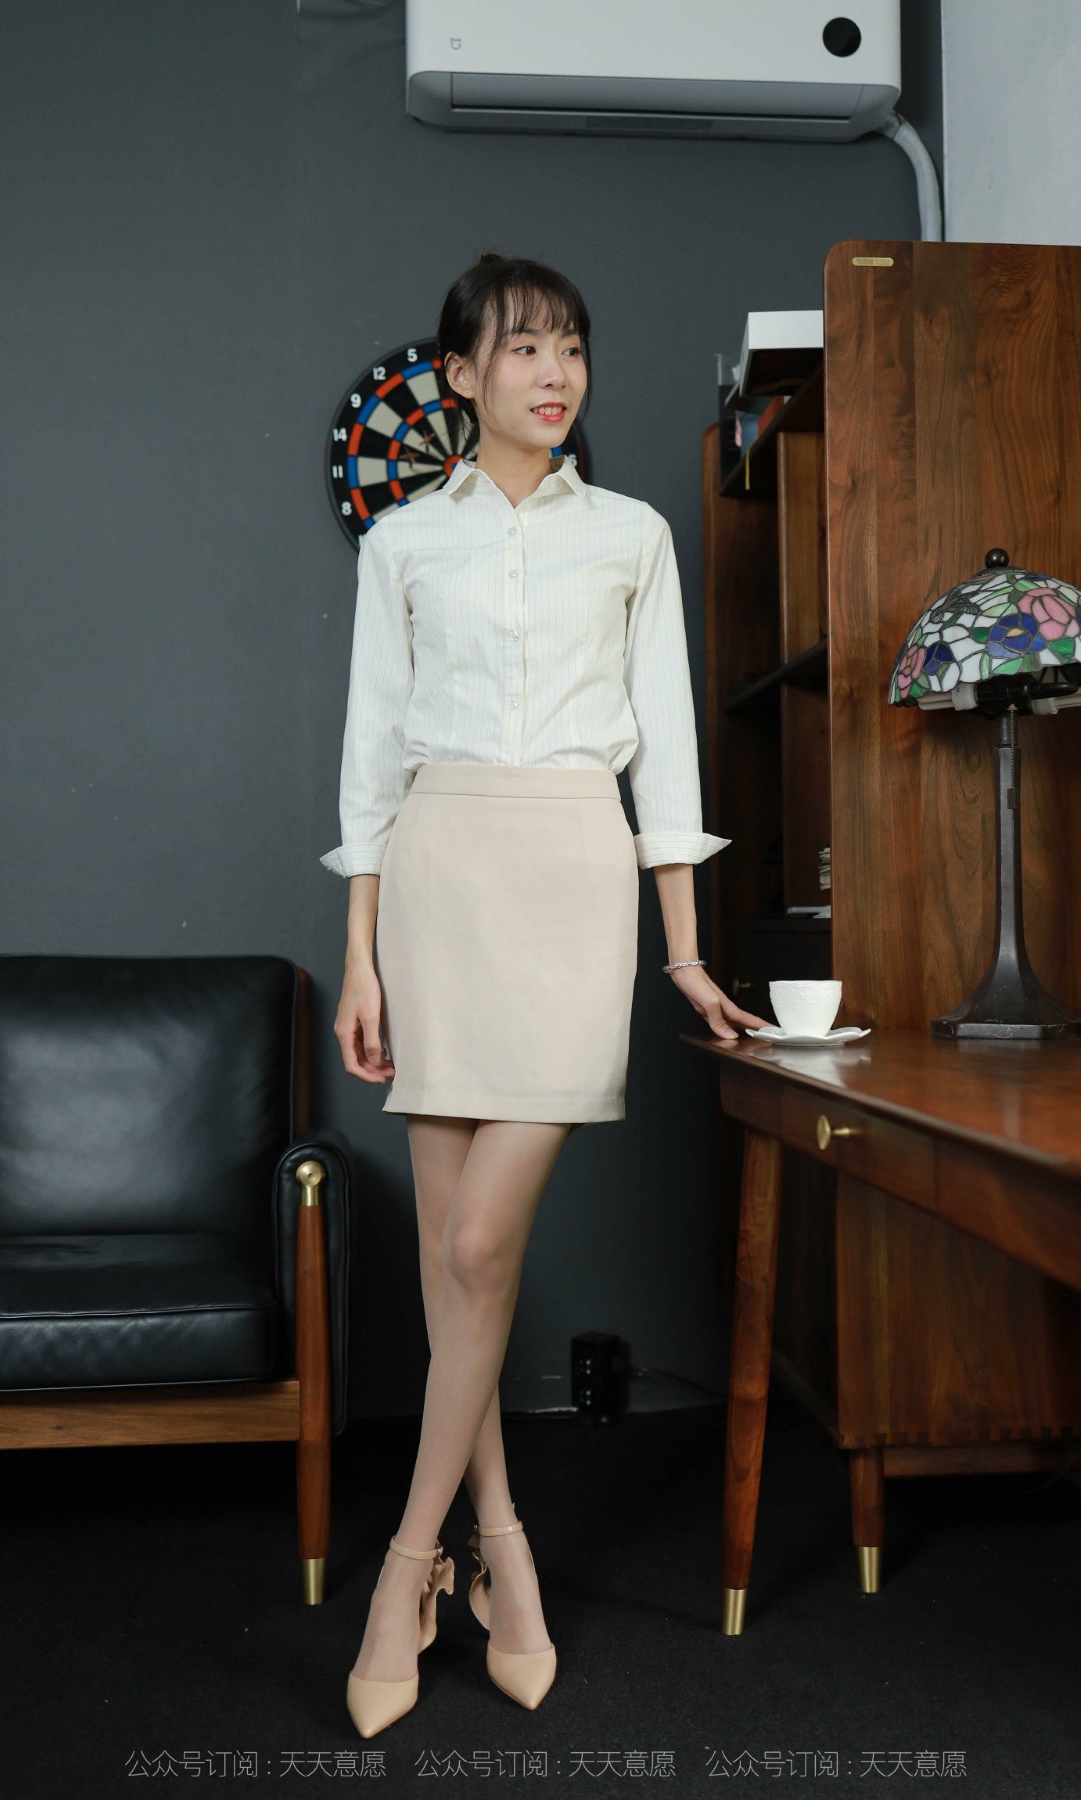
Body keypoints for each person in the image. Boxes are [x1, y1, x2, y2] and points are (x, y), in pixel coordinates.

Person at [319, 251, 764, 1738]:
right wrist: (361, 954)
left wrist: (682, 950)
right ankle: (501, 1553)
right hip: (437, 881)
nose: (554, 370)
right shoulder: (403, 545)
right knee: (459, 1264)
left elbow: (668, 757)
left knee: (480, 1241)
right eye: (522, 347)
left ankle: (405, 1570)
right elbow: (372, 760)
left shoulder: (632, 535)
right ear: (462, 376)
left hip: (574, 876)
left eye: (569, 345)